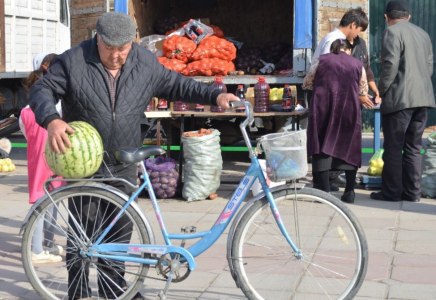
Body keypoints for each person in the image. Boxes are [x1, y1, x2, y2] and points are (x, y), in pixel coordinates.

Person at [28, 12, 239, 300]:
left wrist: (215, 95)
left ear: (132, 42)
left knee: (119, 233)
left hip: (124, 162)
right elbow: (42, 89)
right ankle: (76, 292)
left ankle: (113, 291)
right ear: (98, 39)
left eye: (123, 49)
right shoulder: (73, 60)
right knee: (84, 237)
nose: (116, 56)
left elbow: (178, 85)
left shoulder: (144, 61)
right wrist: (51, 119)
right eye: (110, 49)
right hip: (86, 165)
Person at [370, 0, 435, 202]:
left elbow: (390, 65)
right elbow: (429, 67)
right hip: (423, 98)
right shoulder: (423, 34)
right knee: (414, 147)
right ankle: (412, 193)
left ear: (386, 17)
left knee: (393, 147)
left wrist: (380, 91)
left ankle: (391, 193)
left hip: (400, 100)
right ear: (408, 16)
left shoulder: (392, 32)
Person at [304, 39, 369, 203]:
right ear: (348, 49)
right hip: (349, 109)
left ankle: (325, 192)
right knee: (349, 145)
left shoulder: (322, 60)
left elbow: (308, 82)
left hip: (323, 108)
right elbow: (363, 89)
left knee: (322, 145)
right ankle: (349, 191)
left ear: (333, 50)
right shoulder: (357, 64)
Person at [20, 54, 64, 264]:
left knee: (45, 202)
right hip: (55, 160)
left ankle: (47, 245)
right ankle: (38, 249)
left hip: (37, 163)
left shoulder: (24, 113)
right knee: (46, 204)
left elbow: (26, 135)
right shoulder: (57, 109)